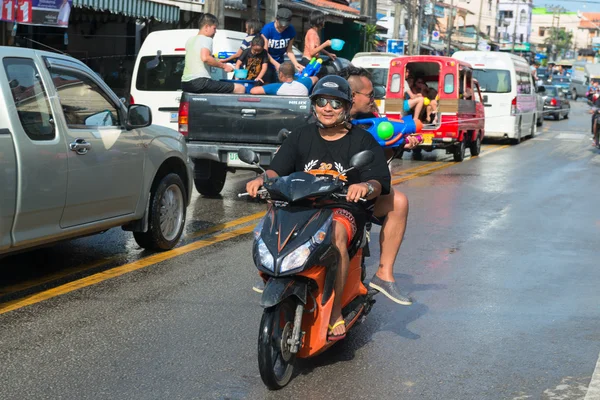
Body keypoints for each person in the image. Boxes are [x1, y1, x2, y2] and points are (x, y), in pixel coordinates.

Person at [246, 75, 391, 340]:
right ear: (314, 105)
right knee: (270, 218)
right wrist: (261, 179)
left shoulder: (362, 141)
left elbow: (378, 181)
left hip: (341, 209)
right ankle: (271, 275)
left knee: (335, 233)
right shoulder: (301, 135)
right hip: (303, 207)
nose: (328, 108)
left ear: (346, 108)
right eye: (322, 101)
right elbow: (276, 170)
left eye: (335, 103)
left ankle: (335, 312)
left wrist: (365, 187)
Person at [338, 65, 419, 305]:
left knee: (399, 201)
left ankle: (383, 274)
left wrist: (400, 143)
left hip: (362, 192)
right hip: (323, 191)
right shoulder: (324, 115)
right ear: (352, 96)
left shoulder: (372, 120)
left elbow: (379, 160)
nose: (374, 99)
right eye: (370, 94)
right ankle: (274, 271)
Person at [181, 14, 245, 94]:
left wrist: (219, 61)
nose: (215, 32)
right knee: (240, 88)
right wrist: (224, 66)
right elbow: (205, 58)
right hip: (200, 82)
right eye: (214, 28)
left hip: (185, 83)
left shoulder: (190, 40)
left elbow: (199, 58)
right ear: (207, 27)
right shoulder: (207, 39)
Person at [260, 8, 304, 84]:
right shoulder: (267, 29)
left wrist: (296, 63)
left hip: (280, 64)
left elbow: (289, 50)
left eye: (285, 26)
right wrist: (276, 64)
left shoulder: (291, 30)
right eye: (281, 25)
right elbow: (265, 52)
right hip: (266, 63)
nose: (283, 28)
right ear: (276, 19)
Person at [249, 61, 315, 96]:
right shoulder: (305, 82)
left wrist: (258, 82)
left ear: (281, 74)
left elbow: (253, 91)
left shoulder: (276, 87)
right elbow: (315, 78)